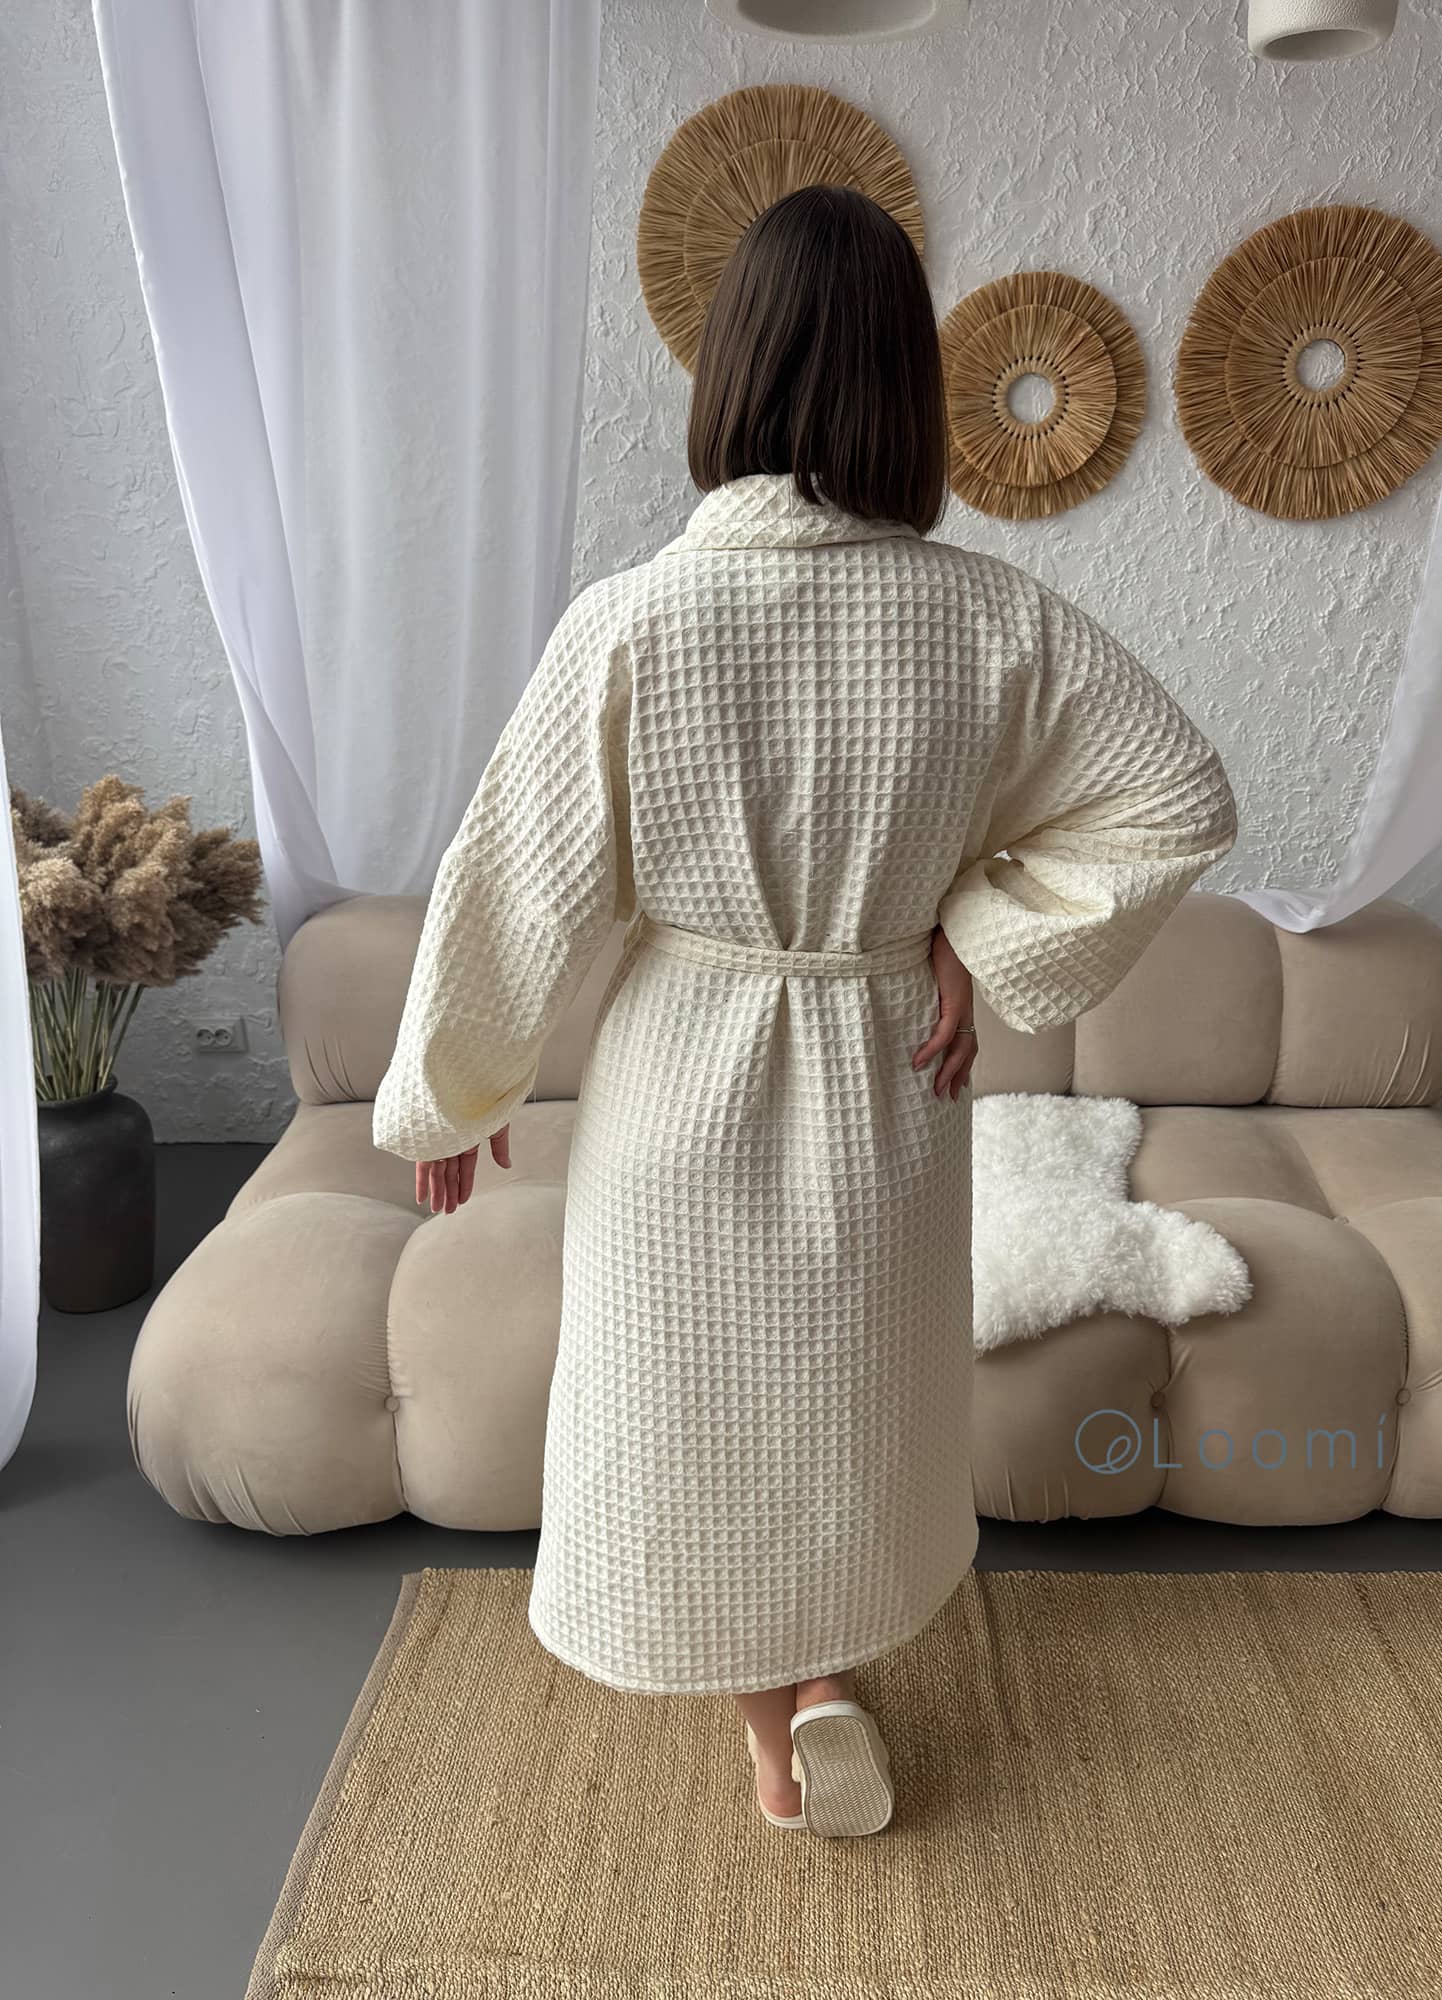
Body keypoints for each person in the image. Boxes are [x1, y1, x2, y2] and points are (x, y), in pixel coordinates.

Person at [371, 184, 1237, 1839]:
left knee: (700, 1414)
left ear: (731, 373)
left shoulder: (632, 621)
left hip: (679, 1083)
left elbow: (516, 886)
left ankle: (777, 1737)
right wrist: (979, 925)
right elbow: (1178, 797)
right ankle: (831, 1676)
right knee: (845, 1404)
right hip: (886, 1069)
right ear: (910, 387)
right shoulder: (988, 619)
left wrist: (448, 1097)